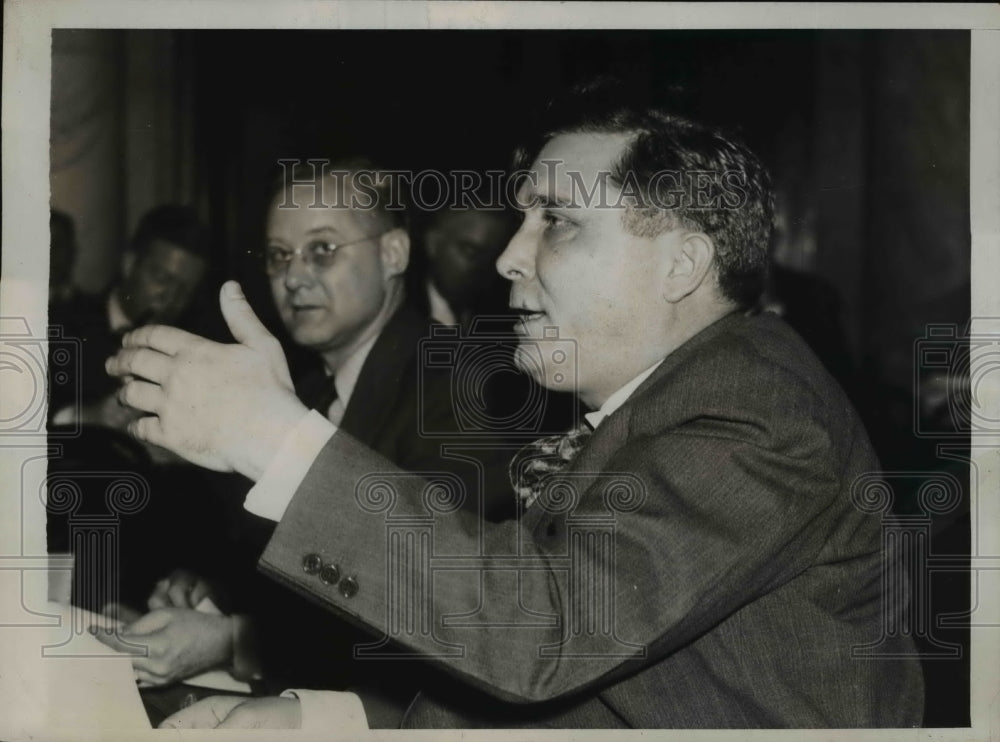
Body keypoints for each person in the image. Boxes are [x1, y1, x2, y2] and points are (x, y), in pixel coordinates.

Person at [107, 83, 924, 728]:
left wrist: (272, 439)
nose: (507, 256)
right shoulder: (651, 403)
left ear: (682, 265)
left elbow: (539, 631)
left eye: (557, 223)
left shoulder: (757, 409)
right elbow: (579, 695)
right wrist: (323, 716)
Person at [94, 159, 516, 710]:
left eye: (322, 248)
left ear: (395, 253)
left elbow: (447, 605)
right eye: (278, 255)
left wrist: (233, 640)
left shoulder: (457, 381)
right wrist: (205, 601)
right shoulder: (313, 390)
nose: (293, 276)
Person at [49, 203, 210, 424]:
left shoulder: (194, 348)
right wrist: (88, 417)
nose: (171, 299)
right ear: (129, 264)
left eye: (185, 291)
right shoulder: (60, 326)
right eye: (162, 280)